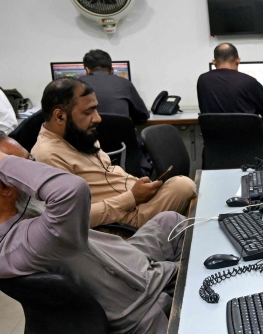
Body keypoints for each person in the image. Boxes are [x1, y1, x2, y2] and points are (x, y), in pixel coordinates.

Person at [0, 130, 183, 334]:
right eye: (24, 164)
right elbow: (72, 189)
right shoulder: (34, 240)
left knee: (172, 221)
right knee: (205, 266)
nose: (34, 165)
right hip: (138, 299)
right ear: (5, 188)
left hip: (119, 263)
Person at [32, 78, 196, 228]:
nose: (98, 118)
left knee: (195, 203)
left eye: (96, 110)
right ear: (60, 116)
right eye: (88, 112)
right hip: (123, 221)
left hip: (135, 201)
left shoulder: (78, 136)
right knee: (184, 187)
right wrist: (131, 198)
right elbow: (68, 219)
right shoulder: (48, 155)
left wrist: (139, 191)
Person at [196, 43, 263, 119]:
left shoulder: (202, 80)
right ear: (238, 61)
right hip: (250, 142)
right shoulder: (249, 82)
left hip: (214, 142)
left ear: (214, 62)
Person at [76, 49, 150, 125]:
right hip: (121, 136)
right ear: (112, 70)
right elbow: (143, 116)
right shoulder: (125, 83)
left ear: (87, 70)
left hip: (87, 136)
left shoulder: (76, 85)